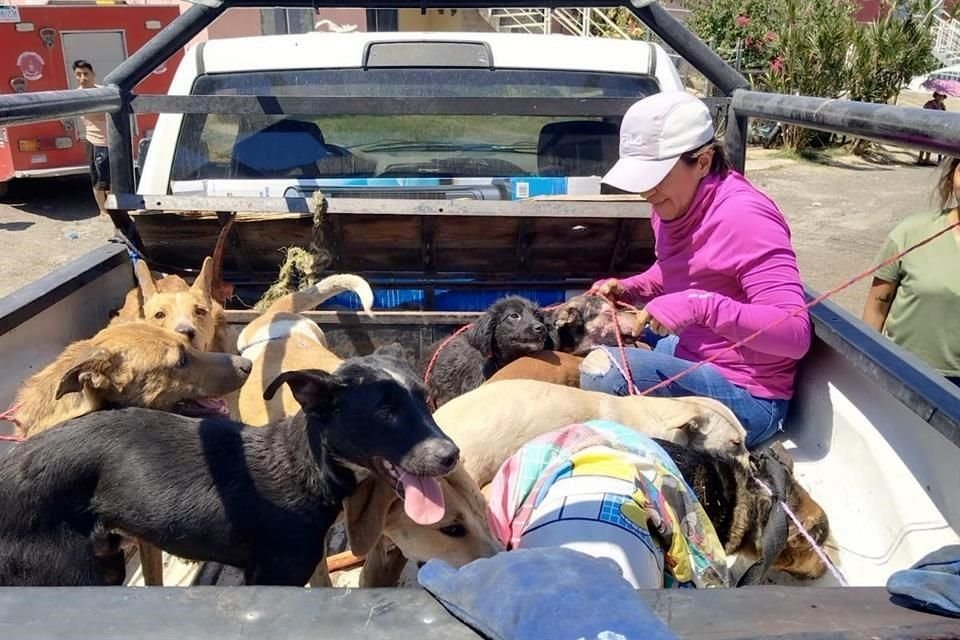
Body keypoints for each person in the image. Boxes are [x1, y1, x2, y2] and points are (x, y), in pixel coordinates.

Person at [582, 91, 811, 448]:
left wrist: (699, 305)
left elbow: (795, 335)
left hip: (749, 395)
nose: (646, 190)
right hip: (693, 353)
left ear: (703, 162)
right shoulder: (670, 204)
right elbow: (679, 270)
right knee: (600, 332)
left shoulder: (744, 216)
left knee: (606, 372)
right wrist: (630, 288)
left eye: (655, 175)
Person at [862, 158, 960, 388]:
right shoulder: (911, 232)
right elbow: (875, 310)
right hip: (907, 374)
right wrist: (866, 366)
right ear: (952, 174)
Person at [73, 60, 110, 217]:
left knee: (115, 181)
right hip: (96, 143)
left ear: (93, 74)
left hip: (113, 142)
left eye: (86, 74)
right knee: (99, 181)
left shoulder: (103, 91)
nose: (83, 77)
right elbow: (101, 115)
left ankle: (116, 209)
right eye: (79, 74)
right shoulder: (78, 96)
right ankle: (103, 211)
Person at [918, 91, 947, 167]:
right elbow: (925, 113)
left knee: (930, 143)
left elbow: (944, 115)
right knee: (924, 142)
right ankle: (920, 158)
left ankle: (927, 159)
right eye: (939, 96)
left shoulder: (942, 105)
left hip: (936, 126)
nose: (941, 97)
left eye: (942, 96)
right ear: (936, 96)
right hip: (928, 125)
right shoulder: (930, 103)